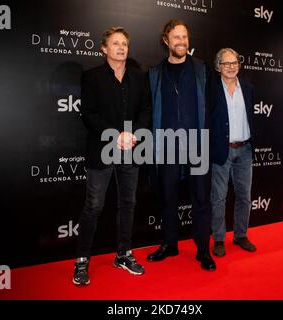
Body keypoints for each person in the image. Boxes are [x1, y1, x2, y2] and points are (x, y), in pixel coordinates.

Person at [73, 27, 151, 286]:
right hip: (102, 149)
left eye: (125, 44)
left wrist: (134, 134)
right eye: (115, 43)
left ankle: (123, 254)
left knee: (128, 203)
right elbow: (89, 114)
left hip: (132, 148)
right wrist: (116, 135)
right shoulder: (92, 77)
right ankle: (82, 260)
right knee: (94, 206)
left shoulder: (140, 78)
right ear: (104, 48)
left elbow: (146, 110)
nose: (121, 48)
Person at [146, 19, 216, 271]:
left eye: (184, 37)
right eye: (176, 37)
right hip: (165, 145)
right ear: (166, 40)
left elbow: (213, 109)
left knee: (201, 199)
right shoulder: (154, 74)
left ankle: (202, 250)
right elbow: (148, 113)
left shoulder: (202, 69)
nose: (181, 42)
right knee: (167, 198)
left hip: (198, 144)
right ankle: (170, 243)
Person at [209, 48, 256, 257]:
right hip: (221, 150)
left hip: (244, 149)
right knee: (218, 197)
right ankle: (219, 238)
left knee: (244, 196)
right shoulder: (210, 89)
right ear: (218, 66)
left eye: (235, 62)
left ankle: (240, 235)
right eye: (226, 63)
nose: (231, 67)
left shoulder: (247, 87)